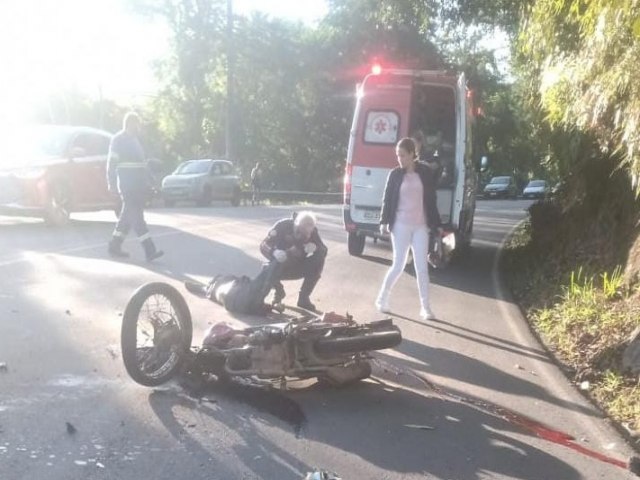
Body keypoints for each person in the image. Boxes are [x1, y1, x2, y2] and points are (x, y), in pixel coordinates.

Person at [376, 137, 441, 320]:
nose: (400, 159)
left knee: (422, 268)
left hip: (420, 226)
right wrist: (384, 221)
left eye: (403, 155)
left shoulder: (425, 172)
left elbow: (431, 199)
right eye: (398, 155)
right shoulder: (395, 174)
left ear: (413, 154)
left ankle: (426, 308)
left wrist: (437, 225)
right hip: (400, 225)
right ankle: (382, 299)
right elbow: (387, 199)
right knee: (398, 265)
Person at [106, 112, 163, 262]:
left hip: (139, 185)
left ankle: (114, 245)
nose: (138, 127)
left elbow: (143, 165)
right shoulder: (118, 140)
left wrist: (150, 181)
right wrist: (111, 183)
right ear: (129, 123)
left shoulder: (135, 141)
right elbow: (111, 164)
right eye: (136, 124)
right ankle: (150, 250)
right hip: (127, 185)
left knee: (126, 217)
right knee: (137, 218)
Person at [260, 211, 327, 311]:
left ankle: (303, 298)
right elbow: (264, 244)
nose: (303, 236)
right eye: (301, 232)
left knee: (319, 258)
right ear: (296, 224)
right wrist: (274, 252)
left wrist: (315, 247)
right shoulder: (282, 226)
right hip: (280, 266)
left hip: (299, 266)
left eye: (307, 233)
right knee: (265, 269)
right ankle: (278, 292)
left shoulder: (313, 232)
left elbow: (323, 249)